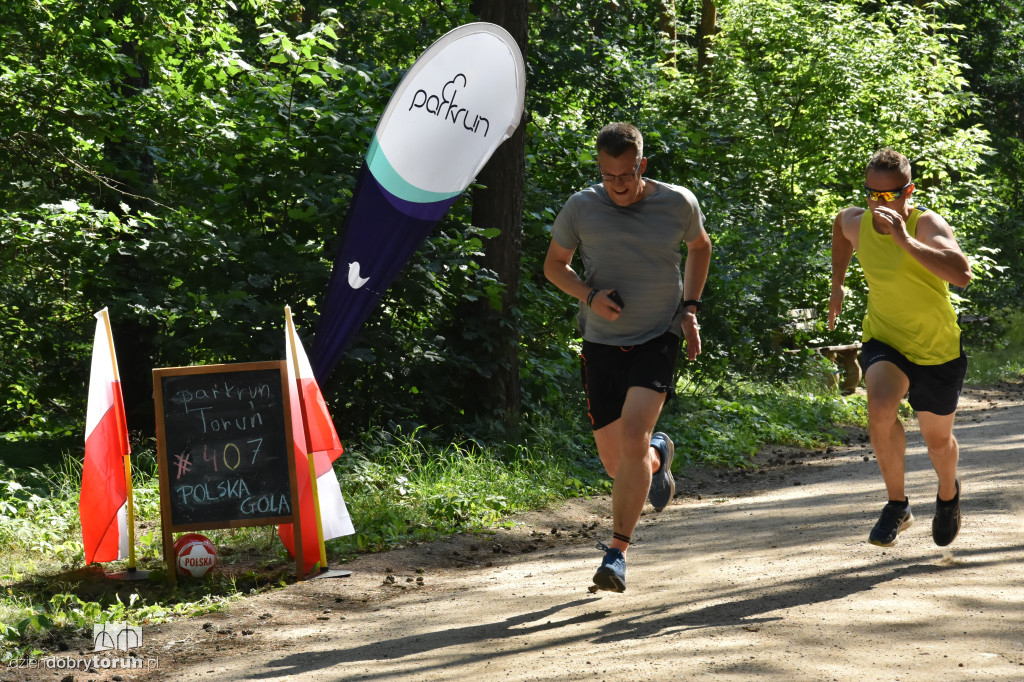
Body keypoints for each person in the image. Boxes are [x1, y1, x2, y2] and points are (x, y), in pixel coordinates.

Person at [544, 122, 712, 592]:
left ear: (642, 165)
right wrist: (590, 295)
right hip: (600, 341)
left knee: (634, 436)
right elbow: (554, 265)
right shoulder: (582, 206)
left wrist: (691, 309)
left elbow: (700, 247)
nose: (616, 184)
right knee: (620, 465)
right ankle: (660, 453)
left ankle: (616, 553)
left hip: (658, 334)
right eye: (607, 174)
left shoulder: (677, 202)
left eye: (625, 174)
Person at [829, 147, 971, 548]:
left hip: (936, 348)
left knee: (938, 442)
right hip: (886, 338)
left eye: (889, 195)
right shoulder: (857, 220)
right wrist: (838, 283)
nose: (879, 203)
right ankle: (897, 504)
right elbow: (840, 228)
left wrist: (904, 240)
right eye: (872, 194)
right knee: (879, 407)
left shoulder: (926, 224)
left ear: (909, 191)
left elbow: (962, 274)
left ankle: (948, 494)